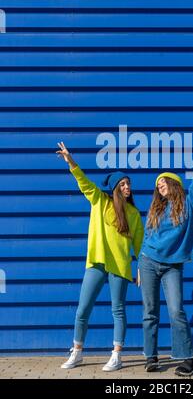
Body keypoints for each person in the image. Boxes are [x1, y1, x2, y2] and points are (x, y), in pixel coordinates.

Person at [55, 142, 144, 371]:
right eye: (123, 184)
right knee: (83, 309)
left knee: (118, 310)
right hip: (97, 262)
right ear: (115, 187)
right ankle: (77, 352)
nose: (127, 187)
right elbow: (83, 182)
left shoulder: (133, 213)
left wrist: (140, 269)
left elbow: (139, 245)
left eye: (129, 184)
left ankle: (117, 355)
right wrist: (71, 161)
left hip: (120, 266)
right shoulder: (99, 200)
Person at [137, 133, 193, 376]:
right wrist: (138, 266)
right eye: (157, 184)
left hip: (172, 265)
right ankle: (151, 357)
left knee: (176, 310)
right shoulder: (156, 209)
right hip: (148, 261)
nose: (160, 185)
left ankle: (187, 359)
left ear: (174, 183)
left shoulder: (189, 204)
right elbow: (146, 238)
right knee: (149, 311)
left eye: (163, 181)